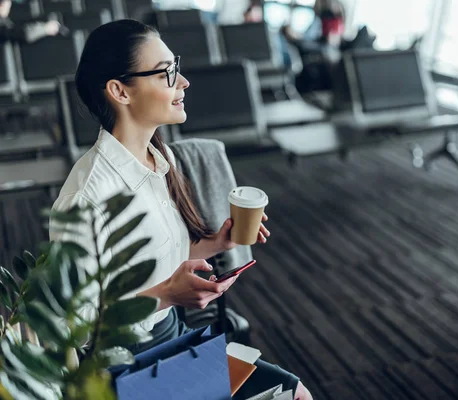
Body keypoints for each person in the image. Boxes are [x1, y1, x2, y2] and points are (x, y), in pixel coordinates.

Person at [49, 19, 312, 400]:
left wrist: (213, 245)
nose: (183, 82)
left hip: (173, 339)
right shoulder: (87, 198)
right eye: (167, 73)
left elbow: (151, 261)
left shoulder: (159, 160)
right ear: (120, 91)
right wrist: (168, 295)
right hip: (123, 368)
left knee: (295, 394)